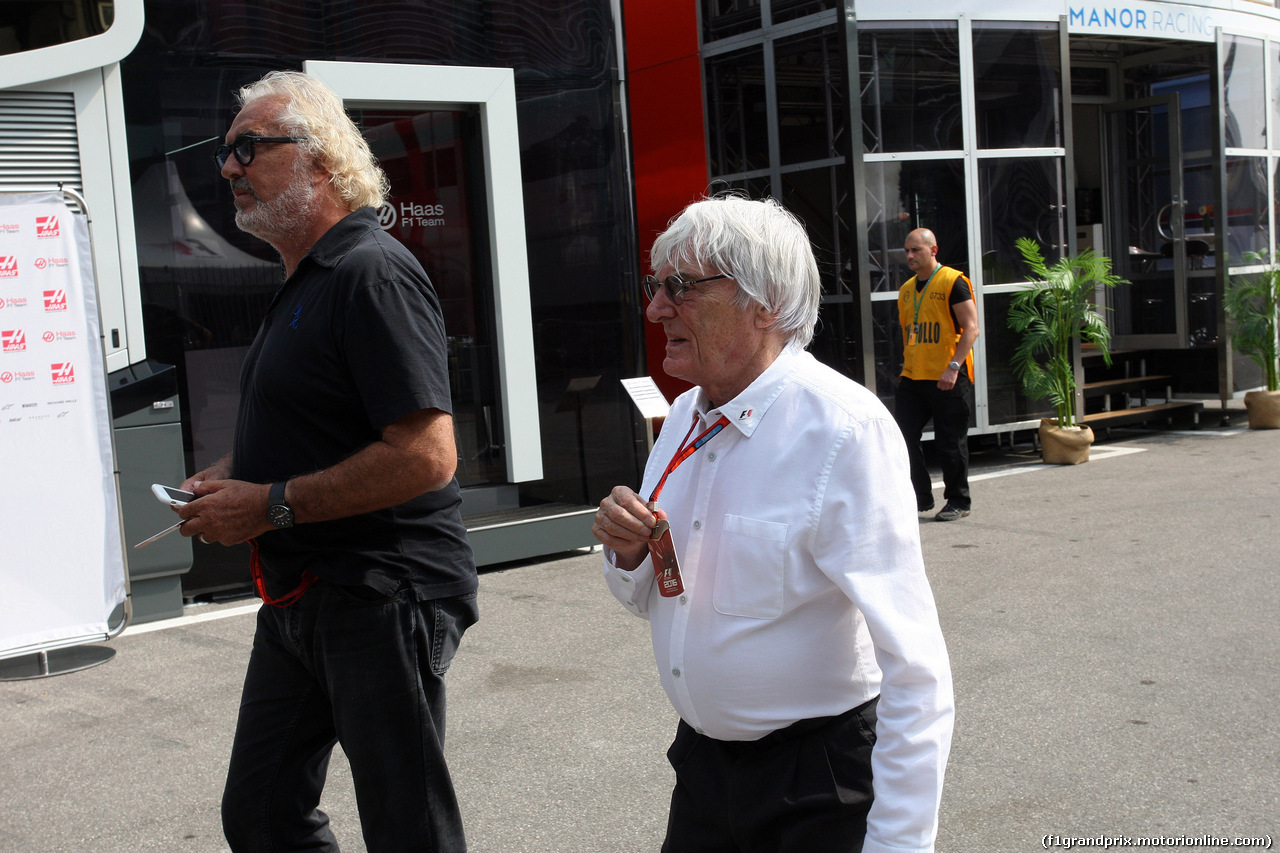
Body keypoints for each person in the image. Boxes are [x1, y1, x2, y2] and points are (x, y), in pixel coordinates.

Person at [173, 70, 478, 853]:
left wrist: (267, 502)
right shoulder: (307, 277)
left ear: (319, 161)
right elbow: (326, 418)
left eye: (247, 147)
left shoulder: (371, 271)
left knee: (407, 828)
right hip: (303, 596)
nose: (228, 167)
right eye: (223, 151)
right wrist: (237, 473)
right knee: (263, 811)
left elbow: (427, 456)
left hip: (381, 590)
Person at [593, 196, 954, 853]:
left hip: (817, 786)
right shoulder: (682, 419)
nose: (656, 309)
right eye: (655, 286)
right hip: (703, 773)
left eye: (681, 287)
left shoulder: (844, 430)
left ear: (767, 302)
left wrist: (899, 843)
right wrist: (626, 554)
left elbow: (916, 667)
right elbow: (650, 596)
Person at [895, 228, 980, 522]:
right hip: (913, 377)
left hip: (948, 377)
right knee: (902, 437)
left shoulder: (952, 282)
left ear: (933, 250)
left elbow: (971, 328)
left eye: (916, 250)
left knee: (950, 442)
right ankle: (919, 496)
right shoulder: (906, 290)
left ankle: (958, 499)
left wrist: (953, 367)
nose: (910, 256)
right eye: (907, 251)